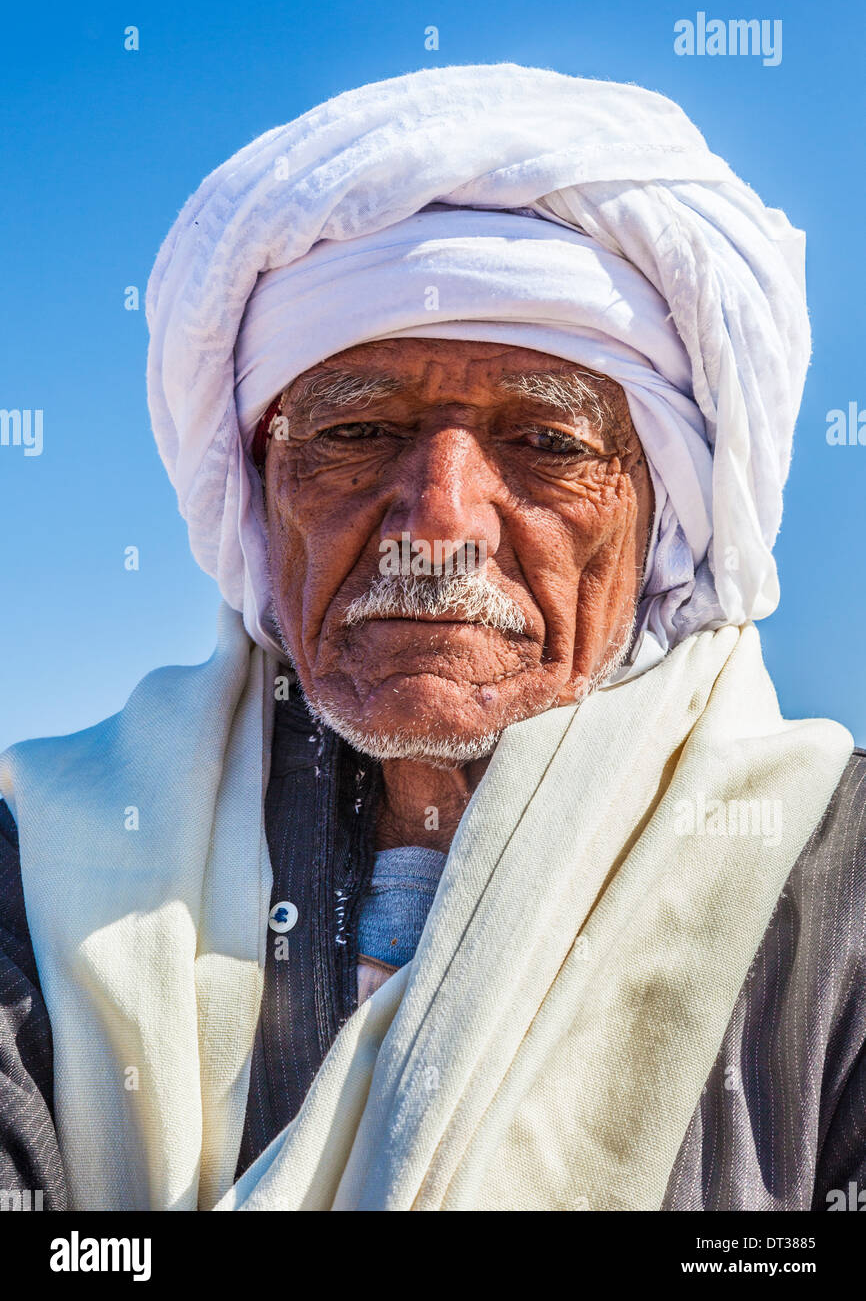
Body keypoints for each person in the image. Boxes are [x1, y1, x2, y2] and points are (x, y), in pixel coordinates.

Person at [1, 64, 863, 1212]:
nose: (438, 521)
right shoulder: (46, 865)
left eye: (547, 442)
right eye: (357, 431)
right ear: (259, 492)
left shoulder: (833, 881)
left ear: (664, 509)